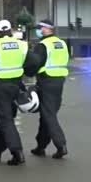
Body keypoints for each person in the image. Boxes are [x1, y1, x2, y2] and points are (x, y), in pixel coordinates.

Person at [0, 20, 39, 166]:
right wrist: (27, 71)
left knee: (5, 120)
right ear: (10, 30)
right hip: (16, 87)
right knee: (6, 120)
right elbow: (35, 62)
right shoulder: (21, 44)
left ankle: (17, 152)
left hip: (0, 87)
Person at [28, 19, 69, 159]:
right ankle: (41, 146)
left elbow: (36, 63)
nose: (38, 30)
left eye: (40, 28)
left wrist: (28, 72)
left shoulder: (43, 45)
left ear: (46, 28)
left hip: (46, 81)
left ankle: (61, 145)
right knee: (46, 115)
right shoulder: (62, 43)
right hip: (59, 81)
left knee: (48, 115)